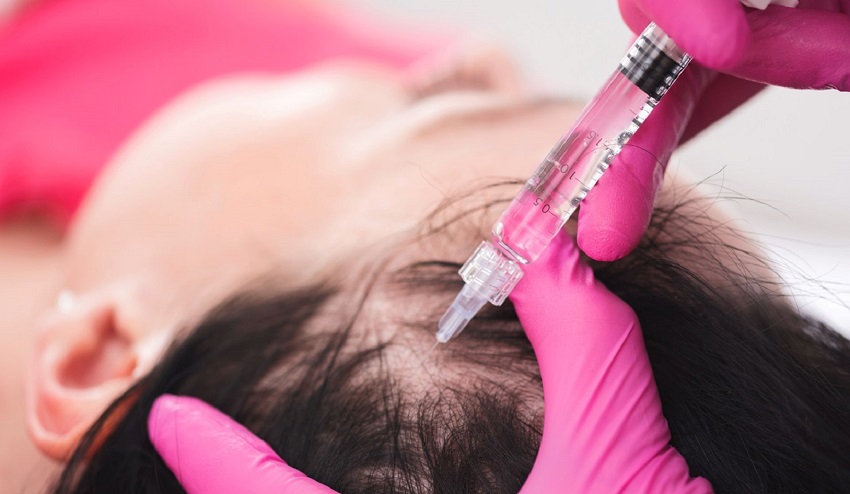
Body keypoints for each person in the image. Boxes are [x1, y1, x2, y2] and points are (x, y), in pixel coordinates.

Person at [0, 0, 846, 493]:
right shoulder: (240, 90)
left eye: (434, 115)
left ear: (99, 356)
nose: (482, 62)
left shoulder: (216, 123)